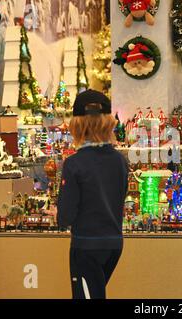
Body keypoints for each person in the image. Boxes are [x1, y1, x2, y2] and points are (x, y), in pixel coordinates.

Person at [57, 90, 128, 299]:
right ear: (108, 122)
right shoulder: (120, 160)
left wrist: (59, 214)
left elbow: (66, 216)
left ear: (77, 124)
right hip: (114, 243)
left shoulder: (74, 164)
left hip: (86, 244)